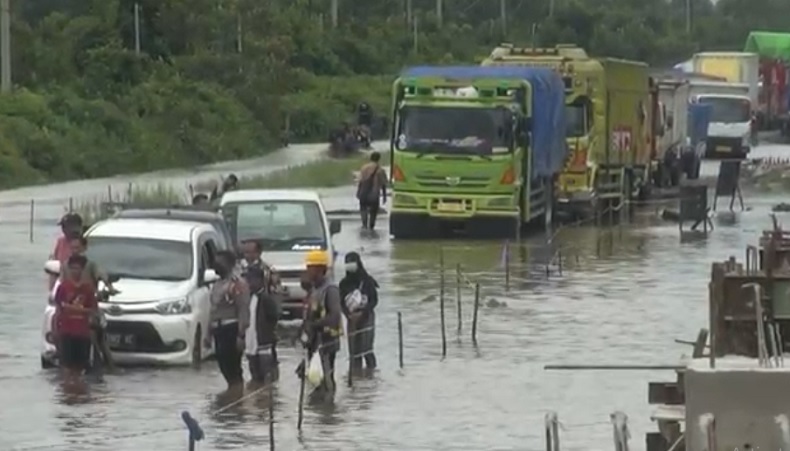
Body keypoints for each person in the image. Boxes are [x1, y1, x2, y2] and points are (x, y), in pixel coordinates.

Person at [298, 250, 343, 395]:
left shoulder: (330, 290)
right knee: (314, 378)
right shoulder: (314, 290)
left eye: (309, 268)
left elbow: (334, 316)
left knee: (325, 378)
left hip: (327, 342)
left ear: (318, 269)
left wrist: (314, 325)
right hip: (314, 342)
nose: (307, 271)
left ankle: (328, 410)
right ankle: (320, 410)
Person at [207, 250, 250, 390]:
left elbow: (243, 309)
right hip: (218, 329)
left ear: (229, 264)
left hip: (231, 328)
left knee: (233, 367)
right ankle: (232, 393)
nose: (216, 265)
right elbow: (212, 310)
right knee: (222, 364)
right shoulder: (217, 284)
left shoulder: (237, 284)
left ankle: (237, 396)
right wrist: (208, 334)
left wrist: (241, 335)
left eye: (220, 262)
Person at [54, 254, 98, 386]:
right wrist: (56, 329)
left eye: (77, 268)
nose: (75, 271)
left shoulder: (88, 289)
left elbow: (93, 310)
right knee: (66, 366)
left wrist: (74, 309)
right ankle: (68, 390)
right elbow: (58, 309)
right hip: (67, 331)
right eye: (72, 268)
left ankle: (78, 391)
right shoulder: (63, 287)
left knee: (80, 366)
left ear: (82, 270)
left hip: (82, 333)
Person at [240, 240, 281, 383]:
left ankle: (270, 388)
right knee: (251, 354)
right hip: (248, 314)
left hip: (264, 314)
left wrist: (272, 319)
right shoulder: (240, 270)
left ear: (258, 252)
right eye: (245, 252)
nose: (247, 255)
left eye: (250, 252)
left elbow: (276, 296)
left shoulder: (268, 271)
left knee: (267, 355)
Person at [339, 252, 378, 371]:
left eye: (352, 262)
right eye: (347, 262)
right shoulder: (344, 283)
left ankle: (371, 375)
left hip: (367, 317)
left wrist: (363, 312)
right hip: (351, 319)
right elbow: (341, 302)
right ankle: (356, 378)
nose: (350, 265)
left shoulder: (367, 281)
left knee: (367, 349)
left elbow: (374, 300)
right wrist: (349, 315)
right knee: (354, 353)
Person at [49, 213, 83, 289]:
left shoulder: (83, 243)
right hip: (62, 286)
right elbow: (54, 264)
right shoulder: (60, 242)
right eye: (62, 227)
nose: (63, 229)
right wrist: (52, 287)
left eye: (65, 227)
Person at [356, 152, 388, 231]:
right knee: (373, 212)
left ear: (370, 158)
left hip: (363, 192)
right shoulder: (380, 170)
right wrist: (384, 196)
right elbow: (383, 184)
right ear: (379, 159)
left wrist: (358, 192)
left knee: (363, 209)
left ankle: (364, 225)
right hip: (374, 194)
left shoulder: (364, 168)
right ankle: (371, 227)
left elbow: (360, 181)